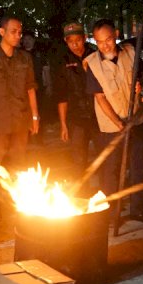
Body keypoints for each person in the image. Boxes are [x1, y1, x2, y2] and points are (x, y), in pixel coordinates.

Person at [85, 18, 143, 224]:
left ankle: (138, 209)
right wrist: (118, 124)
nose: (105, 45)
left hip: (136, 120)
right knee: (111, 172)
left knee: (139, 167)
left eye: (108, 39)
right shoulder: (92, 64)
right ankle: (111, 214)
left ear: (116, 35)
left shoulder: (131, 52)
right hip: (111, 126)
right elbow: (99, 98)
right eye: (99, 42)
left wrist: (139, 83)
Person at [0, 14, 39, 206]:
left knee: (18, 164)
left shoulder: (25, 58)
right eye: (13, 32)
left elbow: (30, 88)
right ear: (2, 32)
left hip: (21, 120)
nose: (17, 36)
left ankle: (14, 205)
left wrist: (35, 116)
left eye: (20, 32)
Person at [51, 21, 98, 182]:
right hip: (76, 117)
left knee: (104, 157)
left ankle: (107, 192)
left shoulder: (95, 55)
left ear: (84, 38)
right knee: (78, 160)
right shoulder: (62, 61)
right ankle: (82, 194)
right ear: (66, 42)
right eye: (71, 42)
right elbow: (61, 95)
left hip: (99, 114)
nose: (75, 45)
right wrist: (63, 124)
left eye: (77, 40)